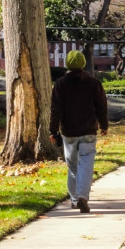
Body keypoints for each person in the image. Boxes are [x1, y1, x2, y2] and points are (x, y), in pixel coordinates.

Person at [49, 50, 109, 214]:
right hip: (89, 131)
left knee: (73, 166)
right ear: (83, 64)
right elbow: (101, 106)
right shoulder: (93, 82)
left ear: (67, 64)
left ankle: (75, 200)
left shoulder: (60, 84)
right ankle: (82, 196)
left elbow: (56, 110)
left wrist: (53, 131)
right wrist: (104, 125)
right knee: (86, 164)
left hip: (69, 133)